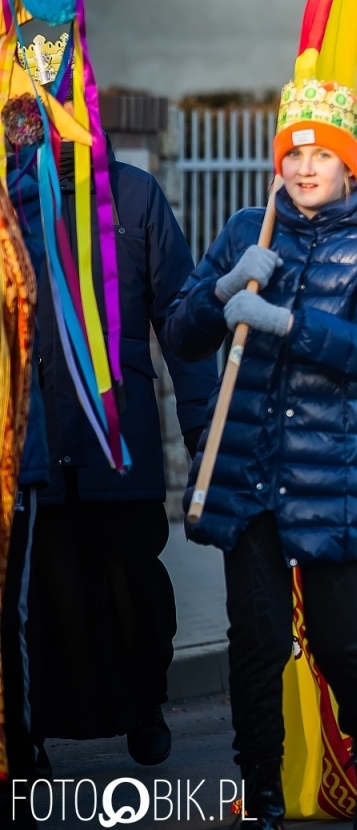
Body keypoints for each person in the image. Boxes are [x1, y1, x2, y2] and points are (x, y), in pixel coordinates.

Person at [162, 78, 357, 830]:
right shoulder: (249, 227)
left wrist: (282, 320)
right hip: (252, 474)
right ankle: (259, 790)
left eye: (322, 154)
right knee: (257, 645)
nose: (306, 168)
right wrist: (222, 292)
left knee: (340, 646)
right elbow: (179, 332)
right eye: (294, 152)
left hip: (332, 473)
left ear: (347, 162)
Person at [4, 131, 216, 769]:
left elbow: (180, 317)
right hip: (31, 440)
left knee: (135, 590)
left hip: (117, 440)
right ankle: (26, 733)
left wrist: (204, 430)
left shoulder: (134, 194)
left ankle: (144, 710)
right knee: (35, 600)